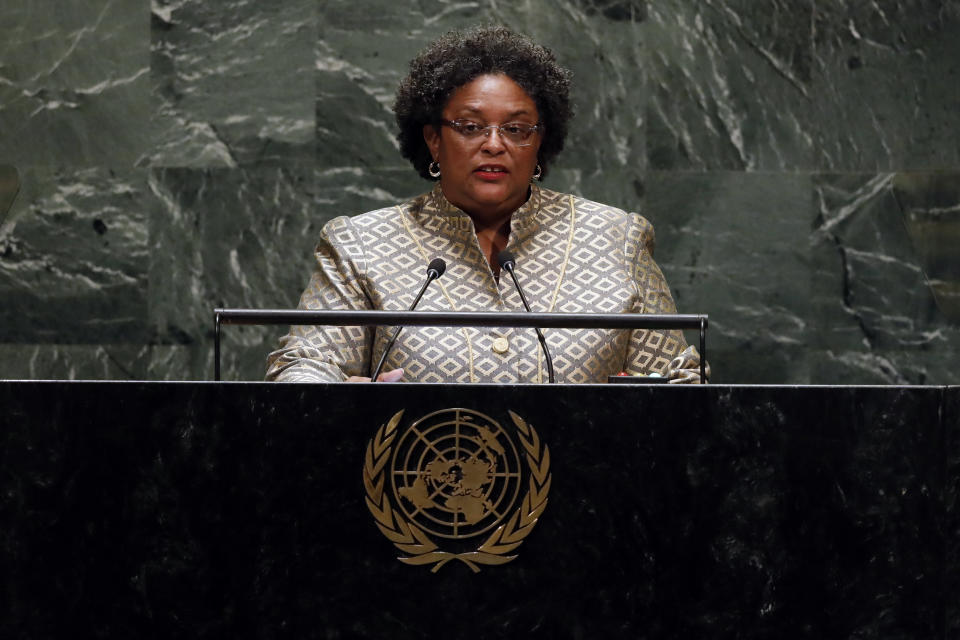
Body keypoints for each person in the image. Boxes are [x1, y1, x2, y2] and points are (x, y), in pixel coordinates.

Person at [266, 26, 706, 384]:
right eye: (470, 126)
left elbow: (680, 381)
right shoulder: (361, 244)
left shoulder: (615, 238)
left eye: (517, 129)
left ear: (540, 144)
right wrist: (338, 394)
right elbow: (302, 365)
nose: (494, 145)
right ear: (433, 139)